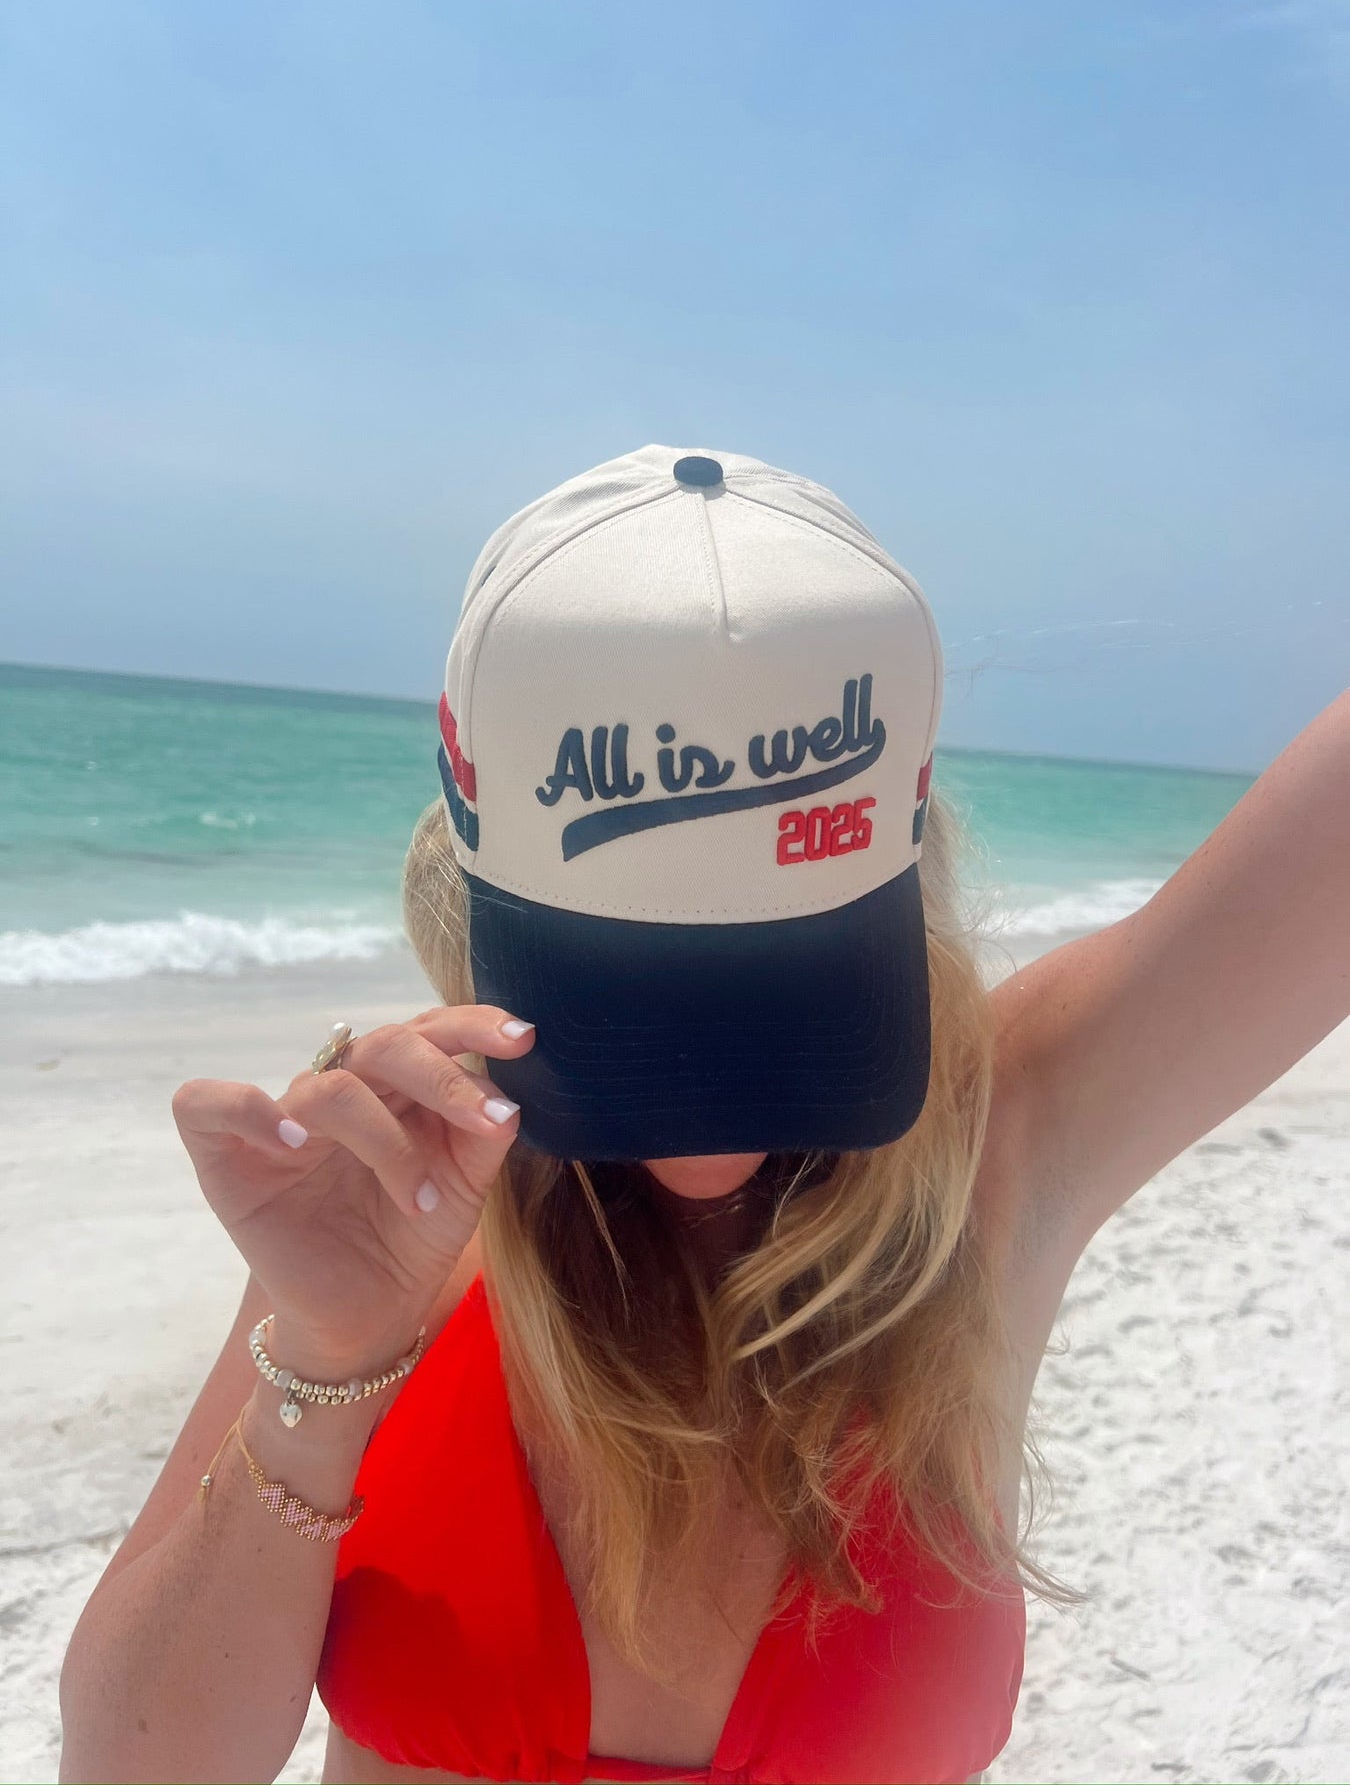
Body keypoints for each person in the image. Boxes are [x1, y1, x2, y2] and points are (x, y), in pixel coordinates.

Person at [58, 446, 1349, 1785]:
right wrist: (326, 1368)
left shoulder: (999, 1139)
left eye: (786, 1002)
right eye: (627, 1009)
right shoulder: (406, 1199)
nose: (707, 1132)